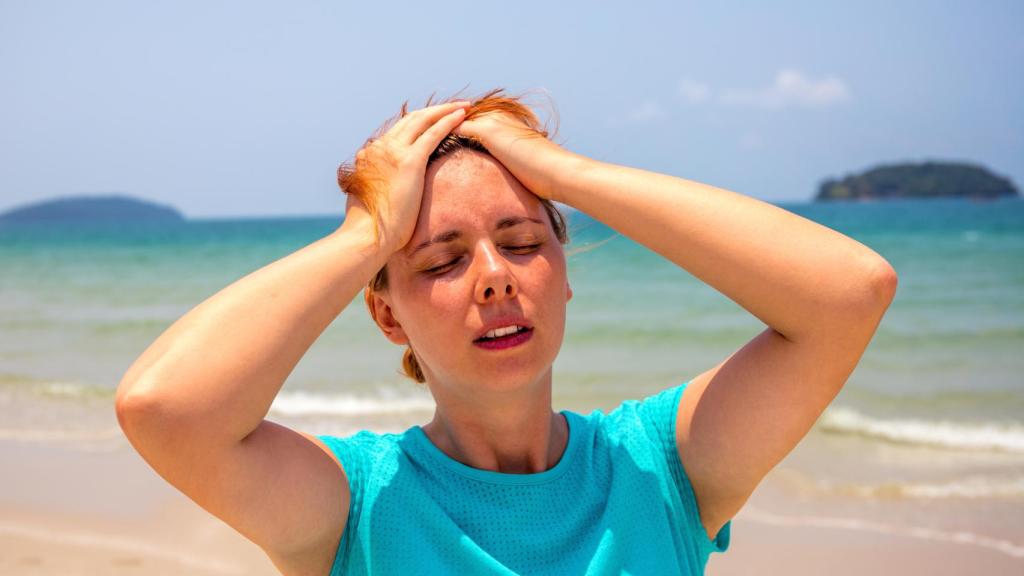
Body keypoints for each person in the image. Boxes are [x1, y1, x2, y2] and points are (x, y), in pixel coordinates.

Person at [115, 88, 898, 575]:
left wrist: (564, 175)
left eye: (523, 243)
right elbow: (164, 409)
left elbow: (849, 294)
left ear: (563, 272)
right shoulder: (358, 507)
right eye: (440, 261)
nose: (495, 276)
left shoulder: (662, 471)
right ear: (387, 313)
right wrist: (367, 236)